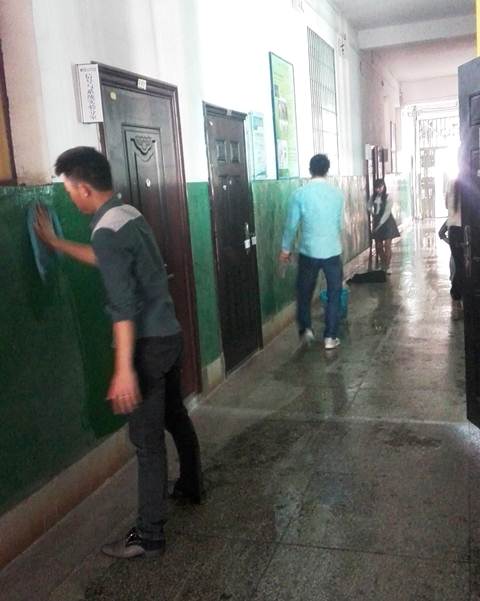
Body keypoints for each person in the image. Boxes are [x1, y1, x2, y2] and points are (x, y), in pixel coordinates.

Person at [35, 146, 203, 559]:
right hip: (169, 335)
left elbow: (123, 307)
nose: (70, 198)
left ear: (84, 189)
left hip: (146, 346)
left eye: (69, 190)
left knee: (147, 443)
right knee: (175, 416)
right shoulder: (127, 215)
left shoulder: (105, 230)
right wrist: (57, 243)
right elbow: (104, 259)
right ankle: (191, 485)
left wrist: (124, 369)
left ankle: (149, 535)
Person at [280, 153, 344, 350]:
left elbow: (291, 225)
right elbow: (339, 225)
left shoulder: (300, 194)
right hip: (332, 251)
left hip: (308, 252)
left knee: (304, 292)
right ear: (327, 170)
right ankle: (330, 337)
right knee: (334, 294)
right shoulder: (337, 194)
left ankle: (306, 329)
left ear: (310, 170)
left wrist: (285, 249)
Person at [368, 178, 400, 273]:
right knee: (378, 246)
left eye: (380, 187)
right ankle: (383, 264)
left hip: (387, 223)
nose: (379, 189)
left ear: (384, 187)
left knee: (387, 245)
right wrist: (372, 212)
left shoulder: (388, 197)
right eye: (377, 188)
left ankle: (387, 266)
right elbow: (368, 206)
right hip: (377, 221)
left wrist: (379, 224)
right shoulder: (373, 197)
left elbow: (387, 212)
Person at [445, 178, 464, 319]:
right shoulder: (467, 184)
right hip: (460, 229)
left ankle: (458, 298)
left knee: (460, 266)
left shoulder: (452, 183)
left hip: (454, 229)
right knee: (462, 267)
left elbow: (446, 204)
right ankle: (456, 298)